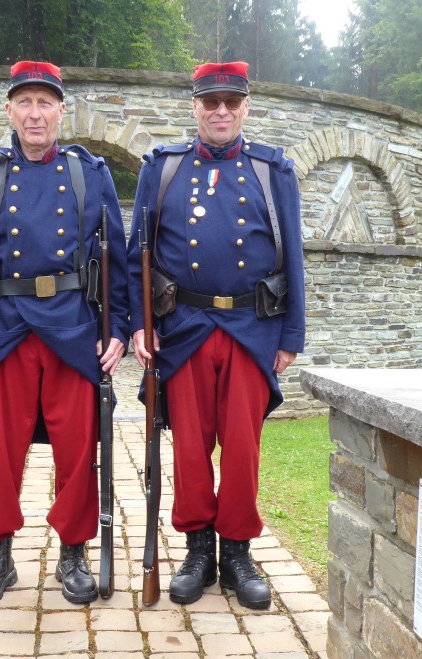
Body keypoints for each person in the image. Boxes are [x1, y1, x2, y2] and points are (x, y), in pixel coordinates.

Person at [0, 61, 129, 609]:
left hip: (73, 329)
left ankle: (73, 553)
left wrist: (116, 330)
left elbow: (116, 259)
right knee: (0, 452)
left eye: (46, 103)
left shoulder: (90, 173)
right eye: (25, 103)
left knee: (76, 451)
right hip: (5, 331)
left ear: (61, 110)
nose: (35, 113)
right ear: (10, 111)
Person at [126, 61, 306, 610]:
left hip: (253, 327)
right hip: (184, 328)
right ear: (196, 107)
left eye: (231, 102)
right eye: (211, 103)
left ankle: (238, 552)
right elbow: (138, 254)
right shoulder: (163, 168)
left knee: (243, 448)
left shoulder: (273, 170)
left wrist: (290, 333)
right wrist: (140, 322)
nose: (221, 112)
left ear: (246, 107)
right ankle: (198, 549)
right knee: (190, 447)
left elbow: (293, 254)